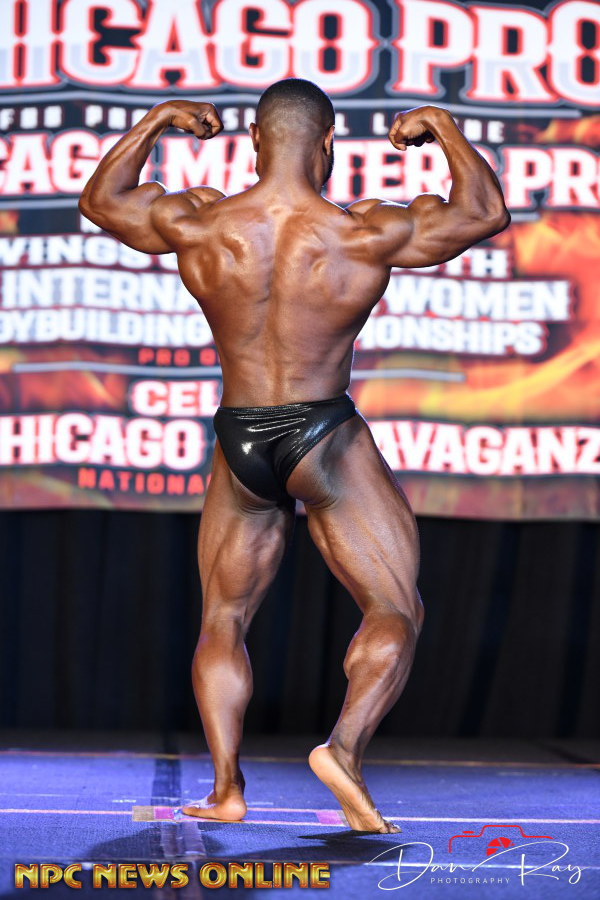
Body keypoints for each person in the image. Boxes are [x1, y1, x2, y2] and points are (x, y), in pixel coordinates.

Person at [79, 78, 509, 834]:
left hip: (240, 436)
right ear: (329, 144)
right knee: (395, 607)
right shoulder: (360, 231)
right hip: (323, 434)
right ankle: (342, 750)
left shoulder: (202, 222)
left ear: (254, 140)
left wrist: (156, 120)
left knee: (223, 618)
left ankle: (226, 789)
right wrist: (442, 126)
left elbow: (102, 201)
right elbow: (483, 213)